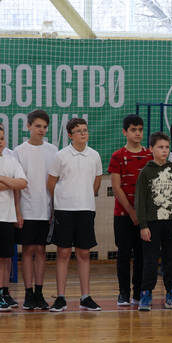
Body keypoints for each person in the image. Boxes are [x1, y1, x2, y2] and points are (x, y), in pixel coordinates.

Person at [47, 117, 103, 312]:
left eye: (85, 130)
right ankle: (61, 297)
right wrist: (61, 201)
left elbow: (96, 183)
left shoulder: (94, 155)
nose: (83, 133)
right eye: (78, 131)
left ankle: (85, 296)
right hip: (64, 210)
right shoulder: (61, 156)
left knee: (84, 253)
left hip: (86, 209)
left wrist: (85, 197)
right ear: (70, 135)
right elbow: (51, 183)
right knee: (63, 253)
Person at [134, 133, 172, 311]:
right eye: (160, 147)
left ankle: (171, 292)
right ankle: (146, 293)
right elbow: (140, 201)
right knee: (149, 260)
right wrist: (143, 225)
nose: (164, 150)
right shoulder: (145, 172)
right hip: (151, 223)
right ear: (151, 149)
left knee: (171, 260)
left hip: (171, 223)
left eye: (166, 147)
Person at [12, 109, 58, 310]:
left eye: (45, 127)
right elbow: (17, 184)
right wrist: (18, 211)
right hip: (27, 209)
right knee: (28, 250)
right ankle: (28, 294)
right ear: (28, 126)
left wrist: (54, 209)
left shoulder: (53, 151)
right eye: (38, 126)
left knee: (41, 251)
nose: (41, 130)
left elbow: (55, 182)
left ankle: (39, 293)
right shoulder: (19, 151)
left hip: (45, 209)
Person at [108, 114, 152, 308]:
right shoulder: (118, 156)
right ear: (125, 132)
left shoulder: (150, 156)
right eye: (133, 130)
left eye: (140, 130)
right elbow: (117, 188)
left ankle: (138, 292)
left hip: (145, 217)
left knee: (143, 255)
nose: (137, 133)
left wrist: (142, 213)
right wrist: (132, 212)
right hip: (123, 215)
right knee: (124, 255)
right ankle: (123, 293)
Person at [0, 125, 27, 311]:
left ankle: (4, 292)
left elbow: (22, 183)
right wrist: (10, 183)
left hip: (6, 216)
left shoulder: (10, 160)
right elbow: (14, 184)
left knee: (6, 257)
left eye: (2, 138)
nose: (0, 142)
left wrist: (4, 180)